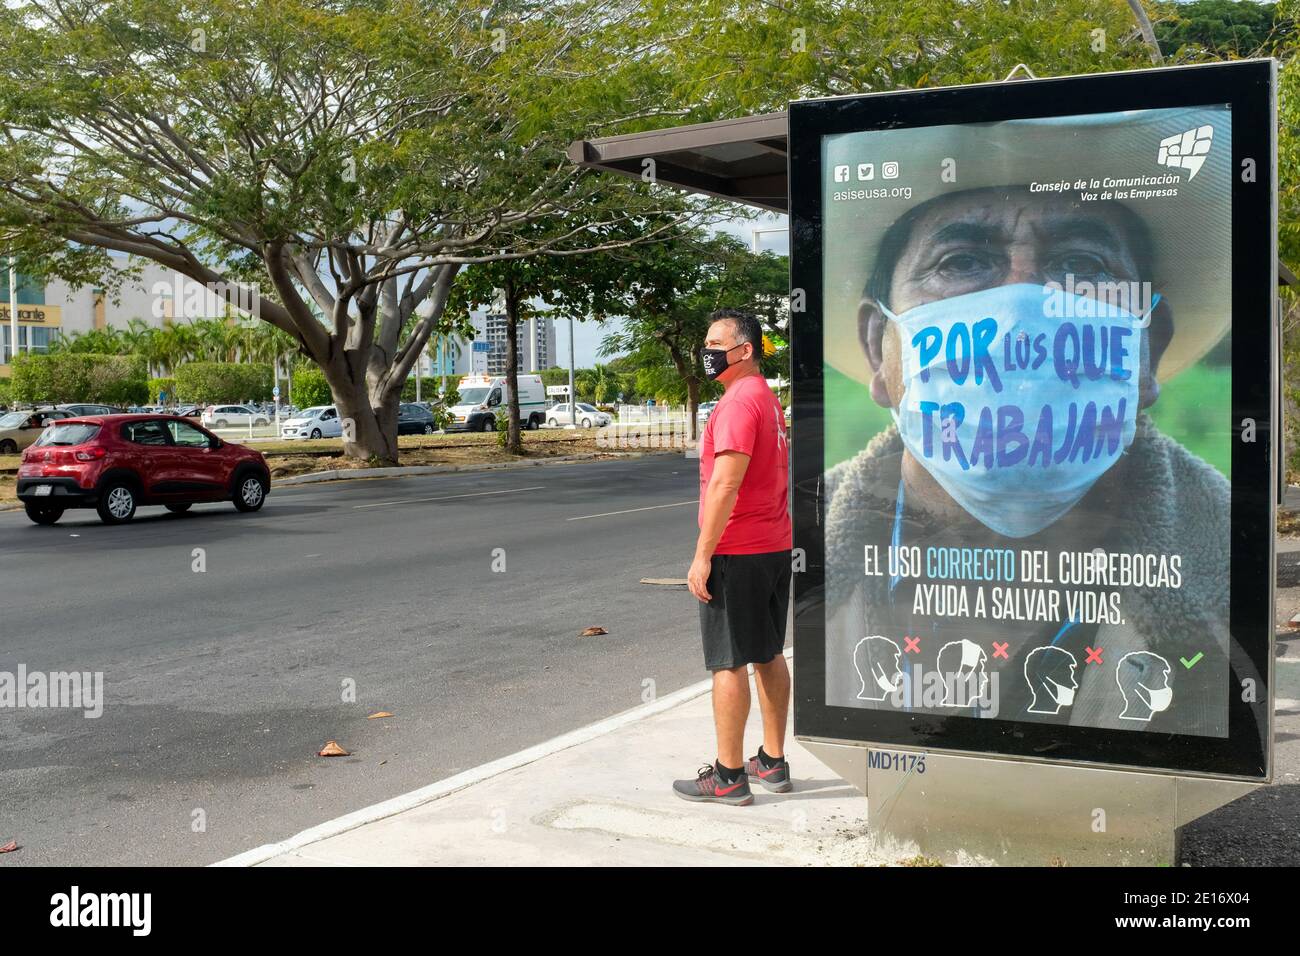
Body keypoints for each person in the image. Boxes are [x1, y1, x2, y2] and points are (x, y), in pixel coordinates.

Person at [824, 184, 1230, 735]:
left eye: (1082, 265)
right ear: (879, 347)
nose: (1021, 305)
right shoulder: (805, 537)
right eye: (961, 262)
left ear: (1149, 349)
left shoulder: (1230, 557)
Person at [673, 309, 793, 806]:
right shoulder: (765, 397)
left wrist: (703, 556)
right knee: (768, 653)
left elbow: (726, 483)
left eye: (715, 343)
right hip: (774, 545)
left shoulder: (739, 402)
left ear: (745, 350)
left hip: (737, 550)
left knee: (728, 662)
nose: (707, 352)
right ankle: (772, 761)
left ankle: (727, 775)